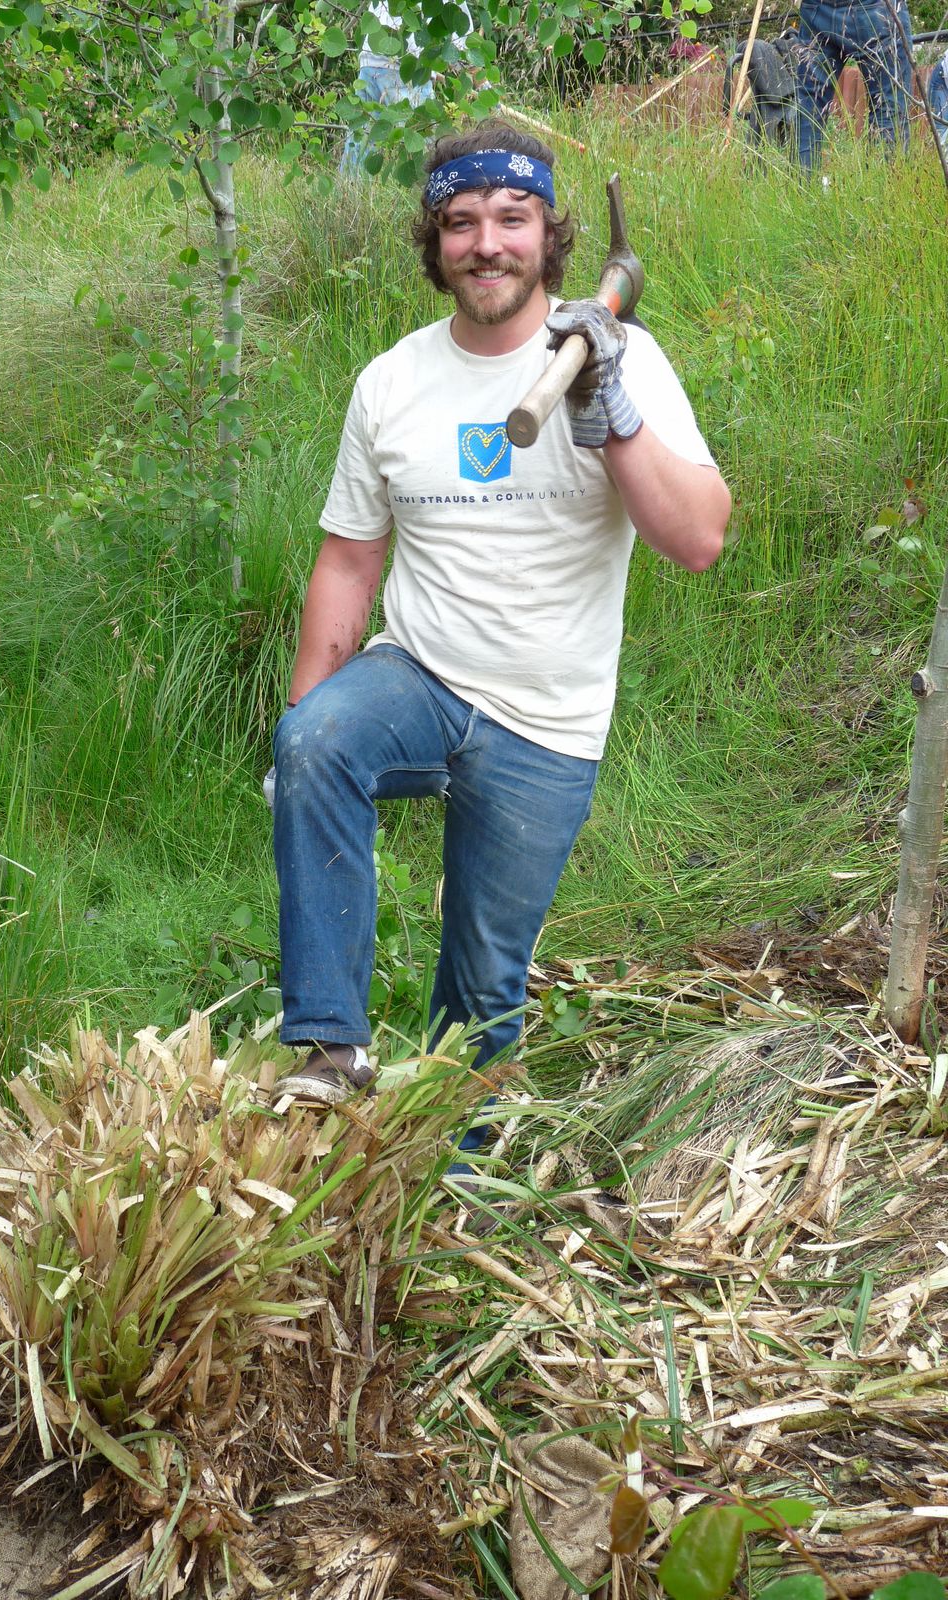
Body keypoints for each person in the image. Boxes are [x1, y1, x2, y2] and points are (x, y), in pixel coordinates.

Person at [270, 120, 730, 1124]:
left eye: (512, 218)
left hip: (548, 720)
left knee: (481, 990)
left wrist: (613, 415)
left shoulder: (622, 360)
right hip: (421, 675)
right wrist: (302, 734)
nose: (487, 243)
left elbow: (698, 539)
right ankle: (330, 1045)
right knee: (318, 741)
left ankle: (451, 1179)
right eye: (462, 221)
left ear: (548, 234)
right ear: (435, 243)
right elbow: (348, 561)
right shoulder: (391, 382)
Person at [340, 0, 473, 178]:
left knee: (363, 136)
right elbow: (463, 45)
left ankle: (349, 186)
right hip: (406, 66)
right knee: (421, 142)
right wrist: (478, 80)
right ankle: (427, 189)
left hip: (370, 58)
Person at [792, 0, 913, 169]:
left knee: (808, 110)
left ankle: (801, 183)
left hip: (816, 8)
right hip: (874, 8)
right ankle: (889, 182)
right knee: (889, 110)